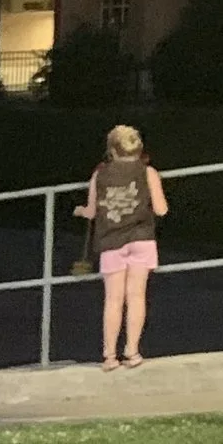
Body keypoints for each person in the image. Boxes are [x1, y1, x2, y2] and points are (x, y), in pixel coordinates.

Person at [77, 122, 167, 367]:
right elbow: (161, 209)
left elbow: (92, 211)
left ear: (111, 151)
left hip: (110, 241)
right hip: (142, 239)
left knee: (113, 300)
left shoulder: (100, 175)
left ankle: (109, 356)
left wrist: (81, 211)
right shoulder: (148, 173)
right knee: (136, 297)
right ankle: (132, 351)